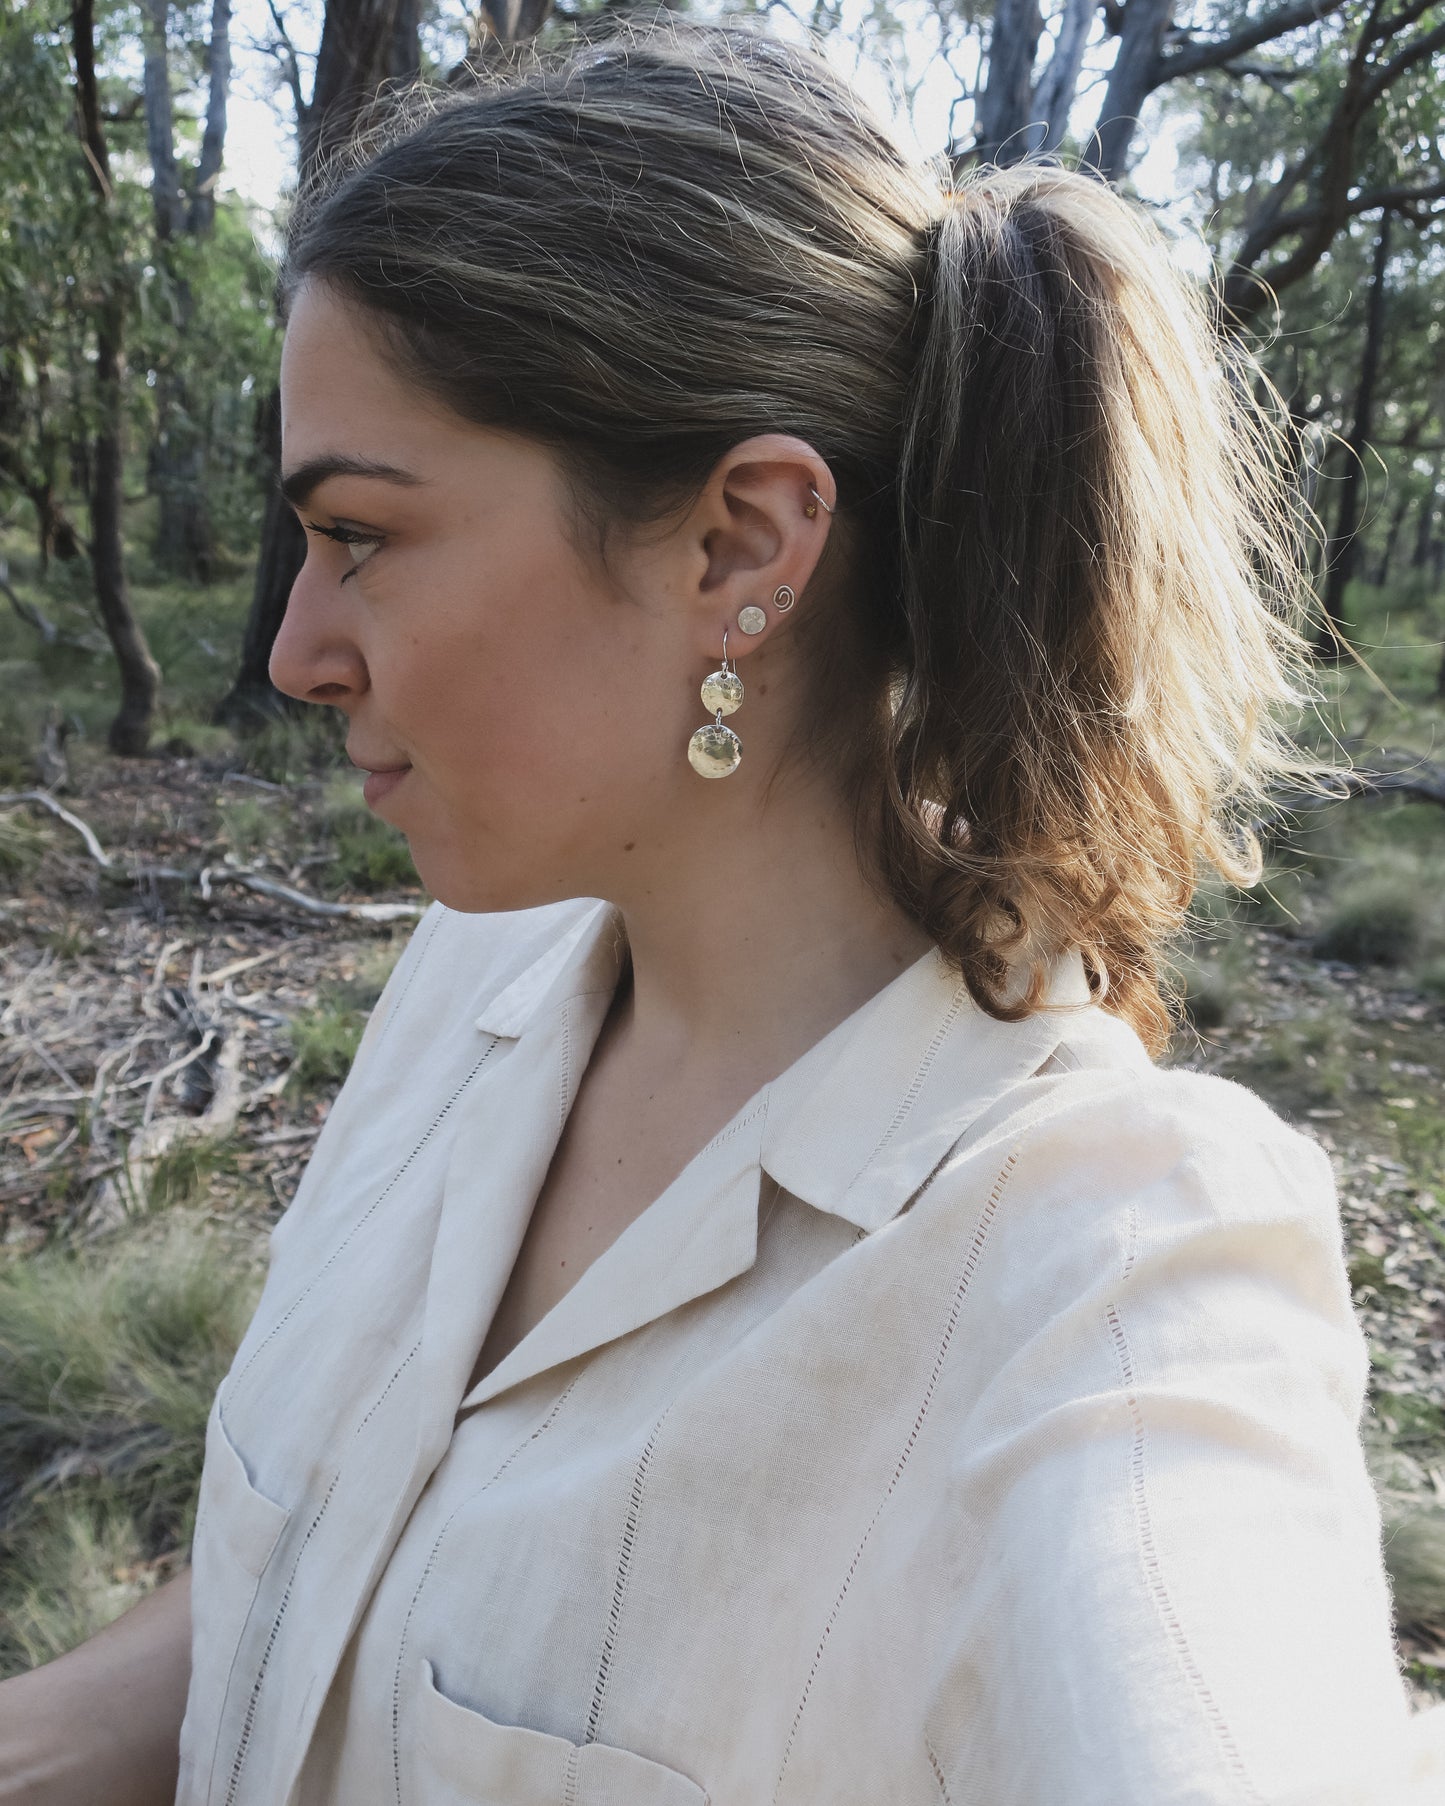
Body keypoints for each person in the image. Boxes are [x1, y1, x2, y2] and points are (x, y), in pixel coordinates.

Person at [3, 20, 1442, 1805]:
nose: (295, 648)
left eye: (361, 533)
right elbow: (343, 1563)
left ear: (739, 547)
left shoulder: (1109, 1275)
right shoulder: (477, 981)